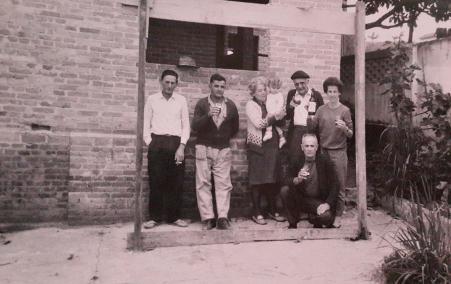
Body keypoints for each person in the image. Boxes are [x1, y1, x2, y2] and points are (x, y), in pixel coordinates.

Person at [142, 69, 190, 229]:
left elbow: (186, 126)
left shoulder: (181, 100)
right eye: (167, 82)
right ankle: (154, 217)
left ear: (177, 84)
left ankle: (174, 217)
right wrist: (151, 143)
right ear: (161, 82)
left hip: (176, 144)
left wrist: (181, 147)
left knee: (176, 182)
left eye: (173, 83)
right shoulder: (152, 99)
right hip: (157, 142)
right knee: (156, 181)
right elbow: (145, 124)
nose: (169, 85)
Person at [191, 73, 239, 230]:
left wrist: (222, 137)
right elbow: (195, 126)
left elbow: (234, 128)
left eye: (222, 86)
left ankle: (222, 217)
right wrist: (208, 115)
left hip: (222, 149)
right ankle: (207, 218)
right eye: (216, 86)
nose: (219, 89)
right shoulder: (202, 104)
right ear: (210, 86)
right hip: (203, 148)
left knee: (224, 184)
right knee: (203, 183)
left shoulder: (230, 105)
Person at [312, 77, 353, 226]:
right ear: (326, 92)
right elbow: (312, 127)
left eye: (335, 91)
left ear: (339, 93)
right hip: (323, 152)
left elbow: (351, 134)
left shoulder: (345, 110)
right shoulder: (321, 109)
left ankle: (338, 216)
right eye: (329, 91)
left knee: (340, 185)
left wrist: (344, 128)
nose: (332, 94)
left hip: (339, 152)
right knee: (324, 184)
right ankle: (325, 212)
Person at [246, 76, 286, 225]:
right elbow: (259, 124)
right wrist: (275, 117)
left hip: (272, 145)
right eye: (259, 90)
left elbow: (281, 121)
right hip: (258, 146)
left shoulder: (270, 102)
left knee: (272, 179)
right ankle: (256, 212)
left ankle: (272, 209)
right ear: (253, 92)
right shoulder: (251, 105)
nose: (263, 92)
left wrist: (280, 116)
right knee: (257, 180)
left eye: (264, 89)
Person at [280, 134, 339, 229]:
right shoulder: (296, 160)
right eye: (306, 146)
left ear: (317, 147)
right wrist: (297, 179)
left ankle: (313, 219)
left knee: (326, 217)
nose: (309, 149)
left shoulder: (325, 161)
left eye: (312, 146)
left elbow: (335, 185)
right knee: (285, 191)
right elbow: (286, 180)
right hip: (301, 199)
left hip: (319, 201)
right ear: (302, 147)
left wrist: (327, 204)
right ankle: (293, 223)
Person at [285, 70, 324, 160]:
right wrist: (290, 106)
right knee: (294, 159)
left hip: (311, 131)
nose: (299, 86)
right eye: (296, 84)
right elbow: (287, 116)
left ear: (307, 81)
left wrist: (312, 114)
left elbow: (321, 116)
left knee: (311, 160)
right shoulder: (292, 94)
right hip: (296, 131)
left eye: (302, 83)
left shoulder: (316, 95)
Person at [263, 77, 287, 149]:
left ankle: (269, 132)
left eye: (277, 88)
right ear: (269, 87)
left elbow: (280, 104)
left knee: (269, 119)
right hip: (271, 111)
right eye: (273, 87)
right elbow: (267, 103)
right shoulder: (269, 95)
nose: (275, 90)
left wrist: (276, 112)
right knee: (275, 125)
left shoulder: (279, 95)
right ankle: (282, 138)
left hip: (276, 112)